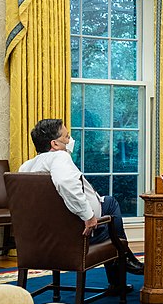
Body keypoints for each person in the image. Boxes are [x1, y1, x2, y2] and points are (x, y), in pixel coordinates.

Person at [19, 119, 144, 293]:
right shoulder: (60, 157)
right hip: (76, 236)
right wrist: (88, 216)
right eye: (67, 137)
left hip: (44, 238)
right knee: (111, 206)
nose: (70, 140)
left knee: (108, 211)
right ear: (54, 144)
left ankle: (126, 258)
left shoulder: (25, 167)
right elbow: (64, 182)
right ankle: (123, 264)